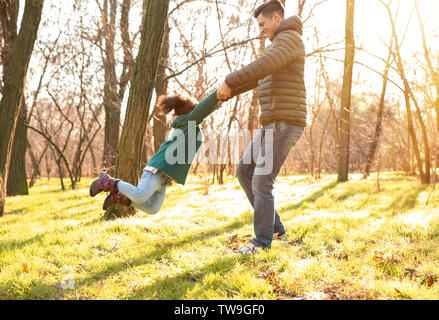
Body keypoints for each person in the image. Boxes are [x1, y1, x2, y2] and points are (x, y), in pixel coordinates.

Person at [217, 0, 307, 254]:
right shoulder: (279, 45)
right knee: (245, 171)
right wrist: (228, 91)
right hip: (273, 123)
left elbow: (262, 66)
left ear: (276, 18)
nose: (260, 29)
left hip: (285, 123)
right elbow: (259, 75)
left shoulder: (289, 40)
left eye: (262, 24)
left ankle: (262, 242)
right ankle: (275, 228)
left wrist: (229, 80)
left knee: (262, 181)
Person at [89, 90, 222, 214]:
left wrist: (214, 106)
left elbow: (202, 112)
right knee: (140, 196)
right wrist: (218, 94)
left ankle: (120, 199)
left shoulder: (188, 126)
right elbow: (202, 111)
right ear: (191, 112)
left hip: (164, 177)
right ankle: (107, 182)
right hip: (157, 169)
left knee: (152, 208)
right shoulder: (189, 123)